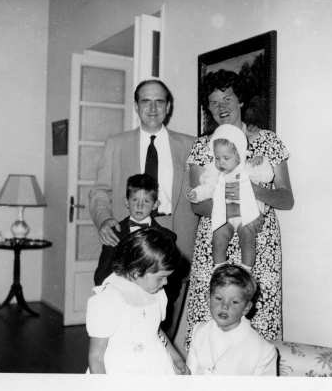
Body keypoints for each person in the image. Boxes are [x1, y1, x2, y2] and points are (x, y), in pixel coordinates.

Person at [185, 69, 294, 348]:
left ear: (241, 100)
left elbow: (286, 199)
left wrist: (251, 192)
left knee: (259, 326)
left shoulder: (267, 141)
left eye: (227, 98)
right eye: (213, 102)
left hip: (259, 242)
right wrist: (231, 205)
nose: (221, 107)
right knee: (209, 326)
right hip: (216, 241)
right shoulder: (202, 146)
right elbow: (197, 205)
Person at [89, 79, 198, 340]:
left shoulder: (191, 145)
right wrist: (104, 220)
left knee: (165, 320)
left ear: (168, 107)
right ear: (136, 106)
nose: (152, 108)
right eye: (146, 101)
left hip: (174, 237)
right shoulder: (116, 144)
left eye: (159, 102)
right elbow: (100, 191)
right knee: (125, 319)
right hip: (130, 238)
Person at [86, 228, 190, 374]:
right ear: (136, 272)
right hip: (120, 372)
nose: (165, 282)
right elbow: (96, 357)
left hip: (154, 366)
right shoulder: (108, 300)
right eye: (161, 277)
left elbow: (155, 329)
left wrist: (175, 357)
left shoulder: (155, 293)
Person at [186, 124, 274, 270]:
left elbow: (268, 176)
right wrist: (196, 194)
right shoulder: (215, 174)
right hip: (224, 215)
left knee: (248, 238)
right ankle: (219, 266)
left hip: (248, 214)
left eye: (226, 158)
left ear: (239, 154)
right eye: (217, 158)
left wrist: (262, 162)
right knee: (218, 237)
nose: (221, 162)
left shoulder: (248, 168)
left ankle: (246, 269)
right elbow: (208, 188)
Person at [186, 264, 277, 375]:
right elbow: (188, 377)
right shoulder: (199, 331)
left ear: (246, 308)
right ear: (208, 299)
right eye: (219, 298)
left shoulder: (264, 351)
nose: (225, 306)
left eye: (234, 302)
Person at [94, 173, 178, 287]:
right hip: (120, 294)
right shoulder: (114, 234)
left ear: (155, 205)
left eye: (146, 201)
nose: (139, 206)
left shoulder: (167, 237)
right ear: (126, 202)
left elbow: (172, 281)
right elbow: (101, 276)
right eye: (135, 200)